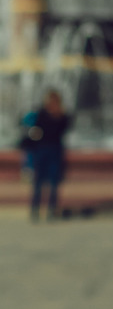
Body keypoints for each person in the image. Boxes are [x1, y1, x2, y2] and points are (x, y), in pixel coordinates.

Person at [24, 89, 70, 221]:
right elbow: (33, 128)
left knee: (54, 181)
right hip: (41, 150)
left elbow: (64, 129)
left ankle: (51, 209)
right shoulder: (41, 113)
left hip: (55, 150)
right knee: (38, 181)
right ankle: (35, 209)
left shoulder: (62, 116)